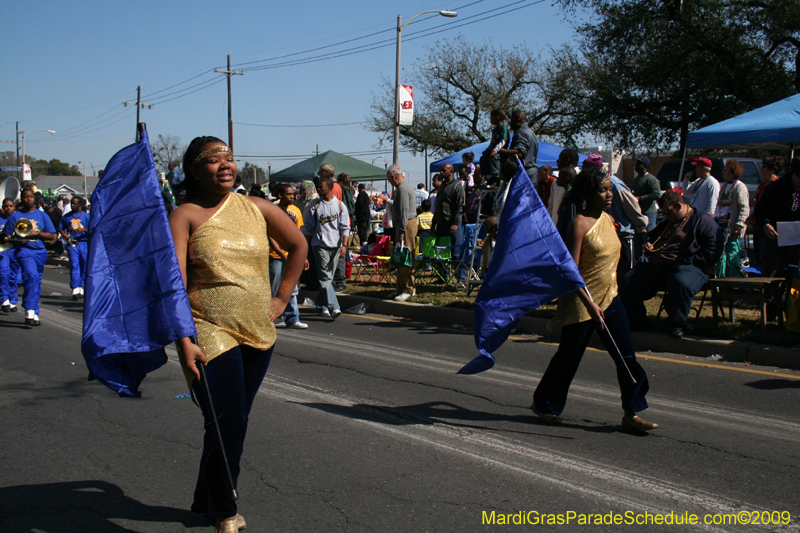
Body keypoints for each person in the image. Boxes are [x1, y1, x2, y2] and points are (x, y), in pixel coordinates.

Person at [169, 136, 306, 533]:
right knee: (227, 422)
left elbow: (298, 246)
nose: (224, 165)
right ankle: (226, 510)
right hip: (208, 330)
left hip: (258, 332)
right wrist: (184, 342)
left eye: (228, 157)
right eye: (213, 160)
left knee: (230, 420)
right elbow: (175, 282)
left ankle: (206, 499)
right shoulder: (185, 216)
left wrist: (282, 298)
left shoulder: (259, 208)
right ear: (195, 170)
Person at [532, 168, 657, 432]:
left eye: (610, 189)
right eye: (603, 190)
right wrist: (589, 303)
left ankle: (631, 413)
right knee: (569, 357)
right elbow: (571, 269)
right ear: (588, 194)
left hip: (611, 298)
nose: (609, 194)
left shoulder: (609, 220)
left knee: (625, 356)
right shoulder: (578, 223)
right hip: (582, 302)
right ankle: (544, 403)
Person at [620, 191, 724, 339]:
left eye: (669, 212)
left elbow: (714, 248)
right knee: (626, 280)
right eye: (664, 213)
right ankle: (637, 321)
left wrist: (692, 261)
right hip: (660, 266)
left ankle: (676, 324)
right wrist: (650, 246)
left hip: (690, 265)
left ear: (678, 205)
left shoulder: (702, 220)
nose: (667, 215)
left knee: (680, 282)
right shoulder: (668, 221)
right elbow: (655, 239)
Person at [1, 188, 57, 326]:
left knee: (36, 282)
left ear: (34, 198)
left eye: (30, 196)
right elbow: (6, 236)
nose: (28, 199)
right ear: (22, 199)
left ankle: (34, 312)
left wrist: (37, 234)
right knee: (31, 276)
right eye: (25, 197)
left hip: (40, 252)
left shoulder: (42, 216)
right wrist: (18, 238)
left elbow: (51, 235)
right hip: (24, 251)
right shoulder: (16, 216)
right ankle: (29, 311)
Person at [302, 177, 350, 318]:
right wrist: (305, 247)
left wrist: (344, 245)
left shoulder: (340, 205)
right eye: (318, 186)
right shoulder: (315, 205)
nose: (319, 189)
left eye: (322, 186)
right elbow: (309, 228)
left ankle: (321, 305)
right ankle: (334, 307)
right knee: (325, 278)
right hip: (319, 246)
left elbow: (345, 228)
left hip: (335, 246)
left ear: (329, 188)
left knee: (328, 278)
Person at [753, 156, 800, 278]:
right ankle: (771, 296)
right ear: (793, 173)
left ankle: (792, 296)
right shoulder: (775, 188)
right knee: (772, 272)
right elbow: (760, 211)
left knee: (796, 273)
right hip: (775, 236)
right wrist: (765, 224)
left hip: (797, 238)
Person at [270, 183, 309, 329]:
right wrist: (281, 253)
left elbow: (299, 236)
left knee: (292, 288)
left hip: (292, 256)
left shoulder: (296, 211)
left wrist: (302, 256)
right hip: (275, 256)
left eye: (293, 194)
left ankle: (293, 319)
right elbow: (270, 237)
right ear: (280, 195)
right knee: (274, 289)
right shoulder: (272, 210)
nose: (292, 197)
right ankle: (269, 319)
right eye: (289, 194)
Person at [714, 160, 749, 277]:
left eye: (726, 169)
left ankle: (736, 282)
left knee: (732, 255)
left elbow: (744, 208)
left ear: (733, 172)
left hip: (732, 226)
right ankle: (720, 281)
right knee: (720, 255)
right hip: (720, 223)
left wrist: (739, 225)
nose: (723, 171)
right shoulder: (723, 186)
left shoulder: (740, 187)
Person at [387, 166, 417, 301]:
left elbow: (404, 212)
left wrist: (401, 232)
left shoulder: (403, 189)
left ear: (393, 176)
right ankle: (400, 288)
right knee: (399, 257)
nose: (389, 182)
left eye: (389, 179)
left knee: (406, 257)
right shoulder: (400, 188)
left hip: (406, 225)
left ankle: (409, 289)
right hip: (403, 224)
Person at [59, 195, 90, 300]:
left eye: (74, 203)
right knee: (74, 264)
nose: (72, 205)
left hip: (83, 243)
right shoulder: (66, 217)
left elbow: (92, 230)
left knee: (84, 264)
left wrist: (83, 230)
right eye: (71, 203)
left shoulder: (86, 216)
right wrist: (65, 236)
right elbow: (61, 228)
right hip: (73, 244)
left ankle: (82, 285)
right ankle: (75, 287)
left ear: (80, 204)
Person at [431, 163, 465, 259]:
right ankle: (444, 272)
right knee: (441, 251)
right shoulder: (441, 187)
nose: (441, 172)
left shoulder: (457, 186)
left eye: (444, 170)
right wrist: (434, 223)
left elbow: (461, 206)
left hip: (453, 223)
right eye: (440, 170)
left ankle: (457, 273)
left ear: (451, 172)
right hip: (441, 224)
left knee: (456, 250)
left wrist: (455, 223)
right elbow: (438, 206)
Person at [631, 156, 661, 260]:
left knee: (648, 238)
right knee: (638, 238)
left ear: (644, 166)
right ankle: (638, 260)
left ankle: (649, 260)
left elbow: (657, 194)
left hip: (649, 213)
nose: (636, 166)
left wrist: (641, 198)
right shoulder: (635, 180)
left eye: (638, 163)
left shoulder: (651, 179)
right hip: (637, 213)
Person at [499, 109, 538, 184]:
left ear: (518, 120)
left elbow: (519, 153)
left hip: (523, 172)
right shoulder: (531, 132)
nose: (510, 123)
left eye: (512, 120)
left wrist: (499, 150)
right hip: (531, 173)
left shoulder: (521, 132)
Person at [0, 197, 21, 314]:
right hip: (3, 250)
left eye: (10, 206)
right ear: (3, 207)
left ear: (14, 207)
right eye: (6, 206)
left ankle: (13, 300)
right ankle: (4, 298)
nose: (8, 208)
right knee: (4, 273)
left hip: (15, 249)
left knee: (14, 276)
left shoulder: (18, 219)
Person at [481, 109, 509, 184]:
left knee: (494, 158)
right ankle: (488, 177)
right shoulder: (495, 130)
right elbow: (492, 141)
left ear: (497, 117)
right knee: (483, 158)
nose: (491, 120)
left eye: (492, 117)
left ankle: (496, 177)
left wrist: (496, 150)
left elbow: (503, 140)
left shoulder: (503, 128)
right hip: (492, 150)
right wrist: (488, 149)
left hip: (500, 151)